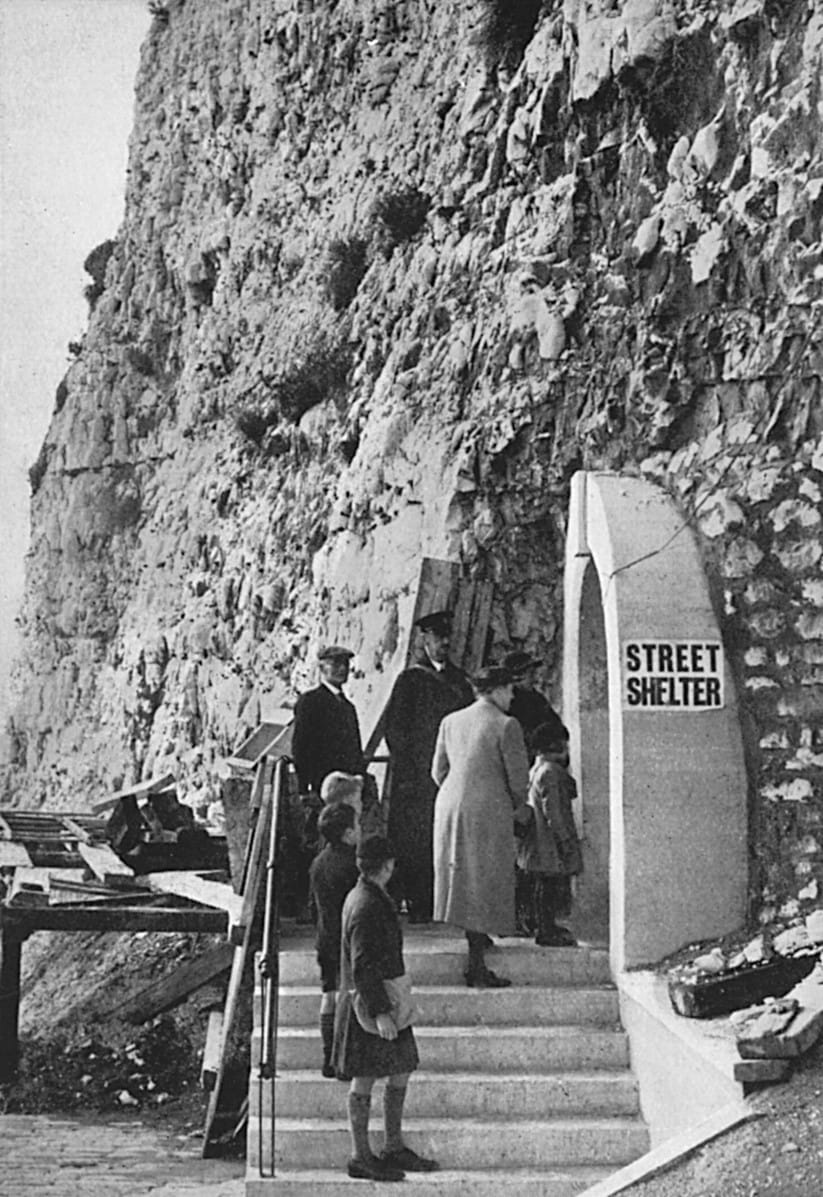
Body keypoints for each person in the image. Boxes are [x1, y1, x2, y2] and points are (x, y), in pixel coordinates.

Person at [333, 836, 438, 1181]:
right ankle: (360, 1156)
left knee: (401, 1067)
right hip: (374, 1004)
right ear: (388, 866)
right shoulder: (366, 904)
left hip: (387, 999)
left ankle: (392, 1146)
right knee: (364, 1077)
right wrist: (380, 1013)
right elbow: (362, 965)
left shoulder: (366, 896)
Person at [431, 665, 532, 988]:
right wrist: (519, 807)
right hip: (487, 808)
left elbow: (437, 771)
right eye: (509, 689)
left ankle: (477, 938)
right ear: (498, 690)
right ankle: (476, 966)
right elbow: (519, 781)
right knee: (484, 877)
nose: (512, 695)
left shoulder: (451, 720)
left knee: (462, 876)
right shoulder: (506, 725)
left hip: (449, 805)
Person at [384, 610, 473, 922]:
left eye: (447, 637)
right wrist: (410, 769)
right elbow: (394, 731)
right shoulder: (410, 681)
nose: (444, 643)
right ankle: (420, 906)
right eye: (437, 638)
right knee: (417, 842)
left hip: (452, 777)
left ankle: (447, 907)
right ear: (424, 640)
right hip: (417, 780)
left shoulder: (460, 681)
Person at [290, 646, 366, 916]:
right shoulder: (310, 702)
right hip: (322, 787)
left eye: (345, 664)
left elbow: (355, 749)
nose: (341, 669)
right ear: (321, 668)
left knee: (343, 844)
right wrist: (305, 787)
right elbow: (301, 748)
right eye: (335, 665)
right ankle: (311, 907)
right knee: (318, 846)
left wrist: (359, 780)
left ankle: (337, 903)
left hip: (345, 788)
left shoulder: (347, 707)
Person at [503, 650, 568, 935]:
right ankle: (519, 916)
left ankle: (532, 916)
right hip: (519, 787)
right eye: (528, 672)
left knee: (533, 856)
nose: (534, 677)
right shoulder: (510, 706)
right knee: (521, 857)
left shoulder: (535, 700)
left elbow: (557, 729)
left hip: (535, 784)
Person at [518, 722, 583, 947]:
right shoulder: (552, 773)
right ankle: (546, 930)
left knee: (543, 886)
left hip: (538, 840)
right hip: (549, 842)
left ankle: (545, 925)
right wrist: (565, 840)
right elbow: (555, 812)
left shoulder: (537, 769)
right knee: (549, 887)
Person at [309, 802, 359, 1077]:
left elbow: (311, 905)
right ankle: (343, 1061)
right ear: (348, 833)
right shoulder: (353, 864)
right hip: (346, 939)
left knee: (328, 995)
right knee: (347, 999)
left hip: (324, 937)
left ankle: (328, 1058)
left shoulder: (318, 863)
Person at [503, 651, 567, 749]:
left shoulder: (536, 698)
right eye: (531, 674)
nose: (536, 679)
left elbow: (558, 727)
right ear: (517, 678)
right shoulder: (508, 703)